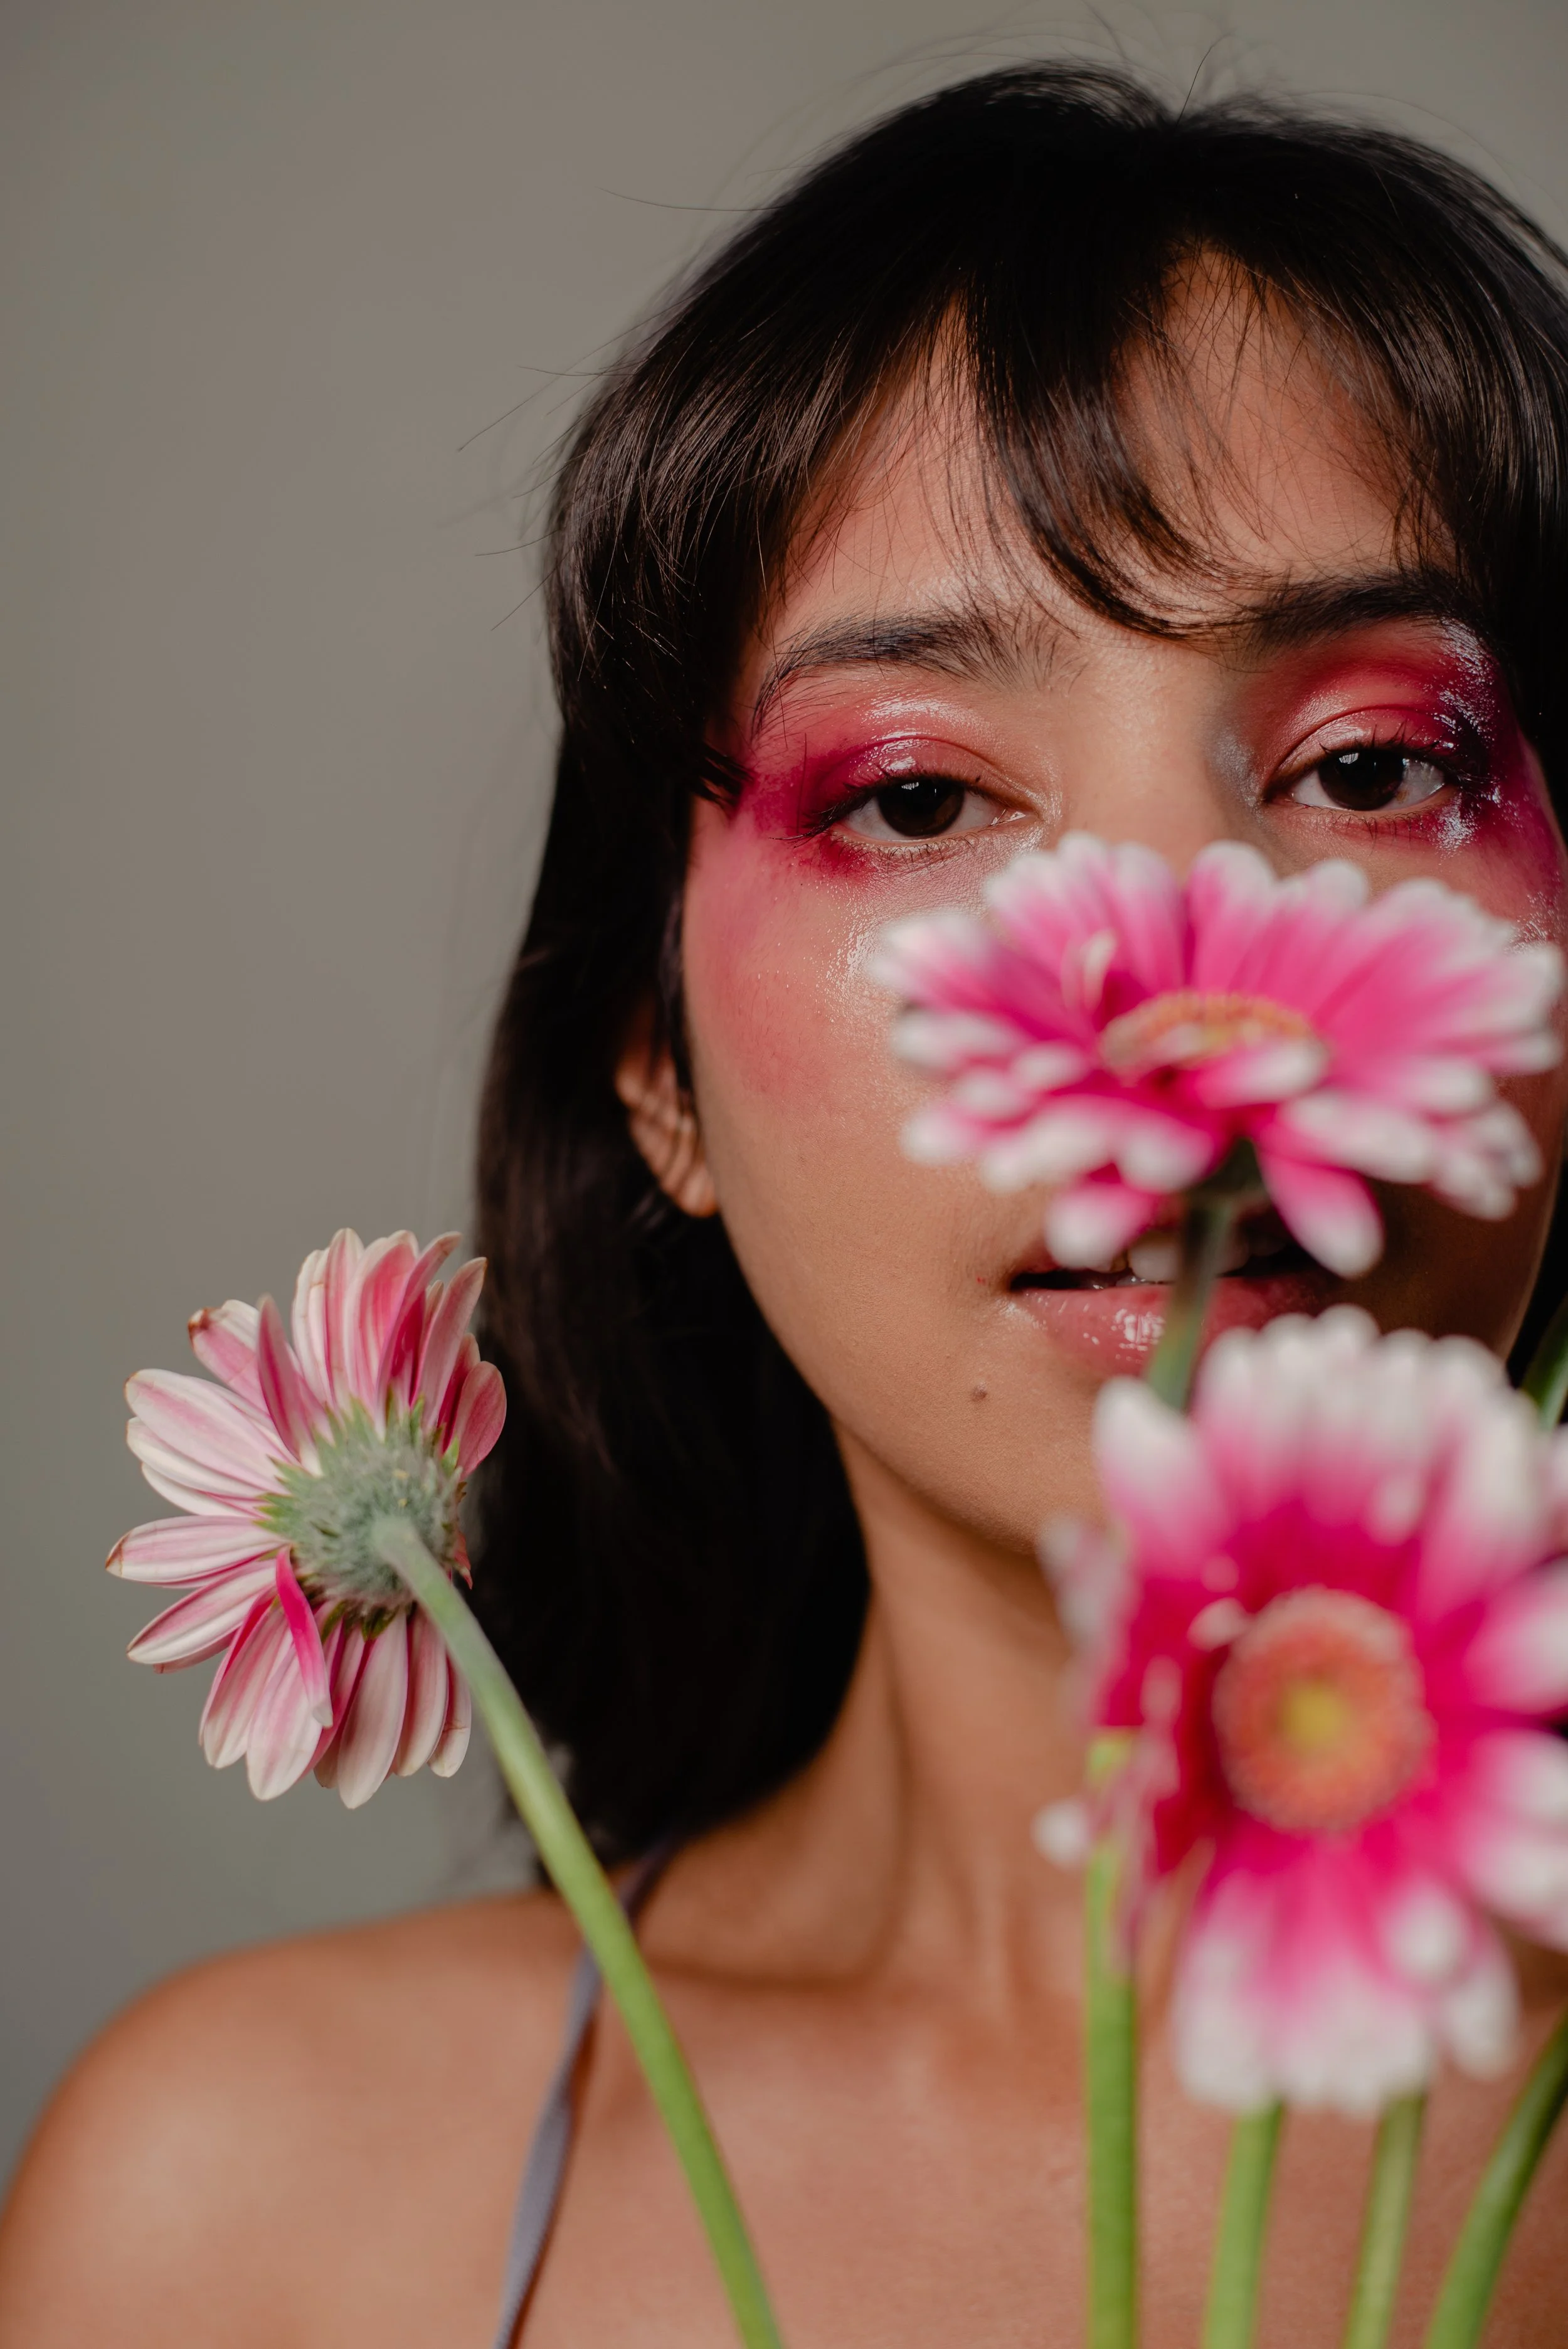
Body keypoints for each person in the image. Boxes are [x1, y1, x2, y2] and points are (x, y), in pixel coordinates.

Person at [4, 61, 1568, 2348]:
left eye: (1371, 769)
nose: (1166, 969)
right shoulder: (246, 2220)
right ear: (657, 1070)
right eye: (923, 797)